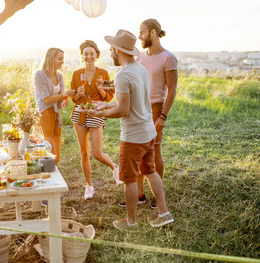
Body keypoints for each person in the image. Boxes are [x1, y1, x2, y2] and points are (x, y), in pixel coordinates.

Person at [82, 29, 174, 229]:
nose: (109, 52)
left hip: (133, 136)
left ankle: (131, 221)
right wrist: (105, 105)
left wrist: (100, 114)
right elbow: (130, 101)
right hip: (148, 131)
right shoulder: (140, 68)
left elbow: (123, 109)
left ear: (117, 50)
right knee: (150, 171)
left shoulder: (123, 75)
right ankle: (164, 213)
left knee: (129, 178)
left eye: (111, 49)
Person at [125, 18, 178, 209]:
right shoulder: (140, 57)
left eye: (142, 32)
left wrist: (163, 116)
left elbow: (172, 89)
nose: (139, 36)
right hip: (137, 107)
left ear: (153, 33)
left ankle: (157, 195)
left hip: (155, 108)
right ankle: (139, 194)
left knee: (154, 152)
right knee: (137, 151)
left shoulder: (168, 58)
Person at [66, 40, 119, 201]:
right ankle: (89, 186)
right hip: (80, 113)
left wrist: (100, 88)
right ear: (82, 56)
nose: (89, 56)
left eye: (91, 53)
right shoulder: (77, 74)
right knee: (84, 153)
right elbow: (74, 99)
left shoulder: (103, 73)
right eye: (86, 54)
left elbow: (109, 97)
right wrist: (78, 93)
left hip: (96, 113)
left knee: (97, 153)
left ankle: (115, 167)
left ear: (96, 55)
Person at [34, 48, 69, 165]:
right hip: (45, 114)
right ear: (51, 59)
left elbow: (61, 98)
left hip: (56, 114)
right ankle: (47, 179)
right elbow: (47, 99)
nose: (62, 61)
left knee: (57, 157)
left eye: (62, 59)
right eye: (59, 59)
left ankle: (52, 179)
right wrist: (64, 95)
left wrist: (64, 101)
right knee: (50, 156)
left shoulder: (60, 76)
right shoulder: (40, 74)